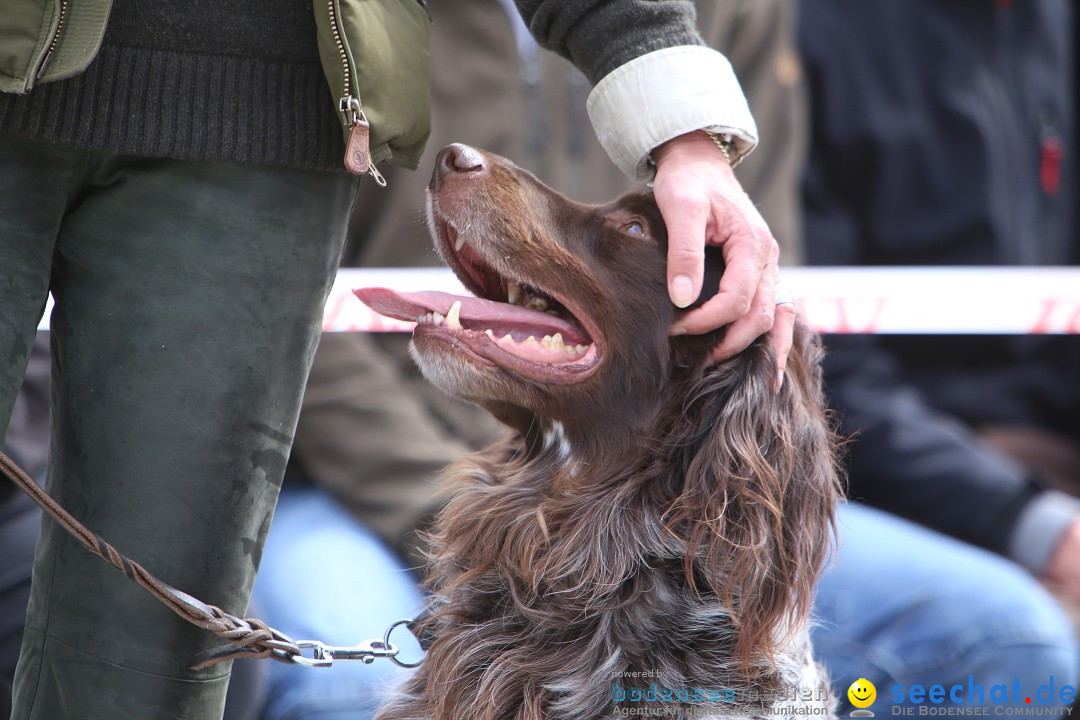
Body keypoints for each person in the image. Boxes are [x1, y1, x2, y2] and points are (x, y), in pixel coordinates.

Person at [0, 1, 788, 718]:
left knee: (144, 668)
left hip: (255, 115)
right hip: (368, 492)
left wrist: (678, 116)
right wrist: (445, 519)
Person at [799, 0, 1079, 709]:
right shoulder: (814, 34)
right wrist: (1038, 527)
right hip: (879, 474)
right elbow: (821, 366)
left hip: (1040, 456)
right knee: (1014, 649)